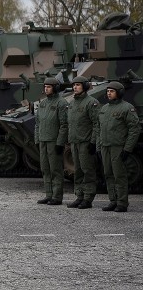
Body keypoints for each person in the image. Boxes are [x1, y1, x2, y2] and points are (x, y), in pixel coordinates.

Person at [97, 81, 140, 212]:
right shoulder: (104, 109)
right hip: (105, 146)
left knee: (119, 175)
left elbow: (134, 129)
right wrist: (98, 147)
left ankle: (122, 202)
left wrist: (127, 148)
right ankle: (113, 200)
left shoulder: (127, 108)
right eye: (108, 91)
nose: (109, 93)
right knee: (108, 174)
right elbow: (99, 129)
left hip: (118, 146)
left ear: (119, 93)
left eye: (112, 91)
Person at [67, 76, 100, 209]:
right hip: (74, 142)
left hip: (86, 143)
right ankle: (79, 196)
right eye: (74, 85)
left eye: (78, 85)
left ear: (85, 86)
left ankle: (88, 198)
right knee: (78, 171)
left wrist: (93, 142)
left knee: (88, 170)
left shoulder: (91, 103)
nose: (75, 87)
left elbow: (96, 124)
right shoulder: (72, 103)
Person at [34, 77, 68, 205]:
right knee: (45, 168)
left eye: (48, 87)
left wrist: (60, 142)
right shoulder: (42, 103)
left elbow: (64, 125)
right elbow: (37, 123)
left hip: (54, 141)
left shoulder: (61, 103)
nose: (46, 89)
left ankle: (57, 197)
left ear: (55, 88)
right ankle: (49, 194)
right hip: (43, 140)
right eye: (45, 87)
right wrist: (37, 139)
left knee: (55, 169)